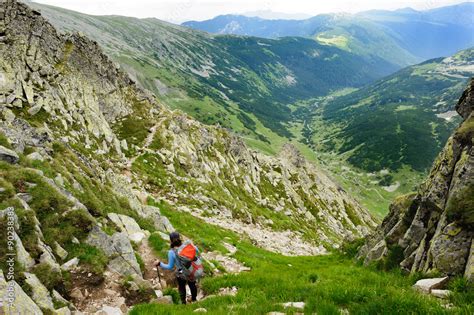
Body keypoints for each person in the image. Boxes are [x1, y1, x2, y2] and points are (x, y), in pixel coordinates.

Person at [155, 232, 199, 304]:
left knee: (182, 287)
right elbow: (196, 250)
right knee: (192, 285)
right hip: (191, 270)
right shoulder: (186, 246)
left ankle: (183, 303)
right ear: (179, 238)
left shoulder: (171, 252)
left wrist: (160, 263)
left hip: (181, 273)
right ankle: (194, 300)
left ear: (171, 240)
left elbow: (170, 266)